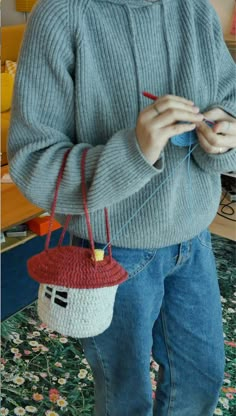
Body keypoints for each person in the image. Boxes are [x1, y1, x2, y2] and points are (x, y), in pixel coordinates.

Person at [7, 0, 236, 415]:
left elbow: (229, 96)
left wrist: (226, 128)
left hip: (193, 240)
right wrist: (135, 150)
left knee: (202, 375)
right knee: (124, 389)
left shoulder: (195, 10)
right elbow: (34, 160)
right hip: (109, 251)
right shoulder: (60, 15)